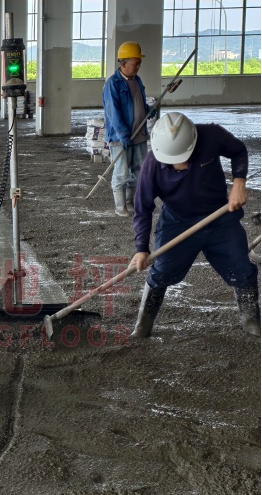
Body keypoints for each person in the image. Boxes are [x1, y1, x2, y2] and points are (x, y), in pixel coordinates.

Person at [129, 111, 260, 338]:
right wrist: (141, 248)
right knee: (162, 271)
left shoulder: (210, 134)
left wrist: (239, 182)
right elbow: (142, 209)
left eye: (184, 156)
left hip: (219, 216)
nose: (181, 163)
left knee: (240, 266)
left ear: (193, 141)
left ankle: (251, 320)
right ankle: (143, 325)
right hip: (178, 220)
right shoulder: (152, 166)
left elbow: (238, 150)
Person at [103, 41, 150, 217]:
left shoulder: (137, 80)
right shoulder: (113, 84)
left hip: (139, 135)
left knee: (139, 171)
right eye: (135, 63)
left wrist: (147, 110)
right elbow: (113, 113)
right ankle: (120, 206)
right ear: (123, 63)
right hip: (120, 138)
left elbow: (138, 103)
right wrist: (122, 134)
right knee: (122, 172)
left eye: (139, 63)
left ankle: (130, 202)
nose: (138, 67)